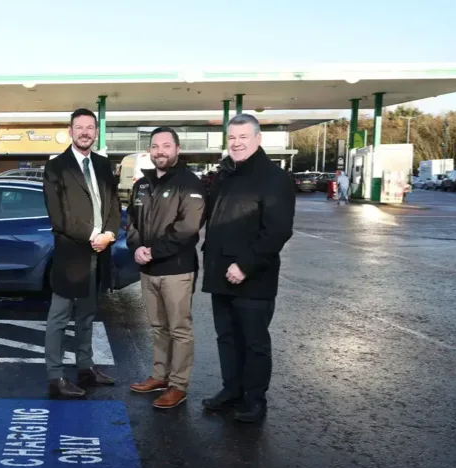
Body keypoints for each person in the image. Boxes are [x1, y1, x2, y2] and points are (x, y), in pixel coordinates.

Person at [201, 113, 296, 422]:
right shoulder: (227, 174)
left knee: (254, 342)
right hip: (220, 275)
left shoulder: (274, 177)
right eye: (232, 138)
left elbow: (277, 230)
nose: (237, 143)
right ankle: (232, 390)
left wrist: (245, 266)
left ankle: (255, 400)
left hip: (253, 278)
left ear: (258, 139)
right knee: (226, 337)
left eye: (243, 137)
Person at [41, 108, 121, 398]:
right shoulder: (56, 167)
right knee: (59, 318)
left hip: (100, 253)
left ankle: (85, 369)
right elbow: (59, 217)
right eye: (79, 127)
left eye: (90, 127)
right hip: (71, 255)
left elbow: (114, 205)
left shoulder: (102, 164)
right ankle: (55, 378)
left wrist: (110, 234)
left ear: (96, 132)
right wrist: (93, 235)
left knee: (87, 315)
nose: (85, 132)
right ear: (70, 131)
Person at [126, 127, 207, 409]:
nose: (160, 151)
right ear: (150, 150)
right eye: (155, 146)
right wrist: (136, 246)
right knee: (158, 327)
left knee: (179, 329)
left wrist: (153, 252)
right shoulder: (142, 184)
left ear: (177, 149)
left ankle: (178, 385)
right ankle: (160, 376)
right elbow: (132, 221)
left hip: (176, 270)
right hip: (148, 271)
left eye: (166, 146)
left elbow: (187, 229)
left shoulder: (190, 183)